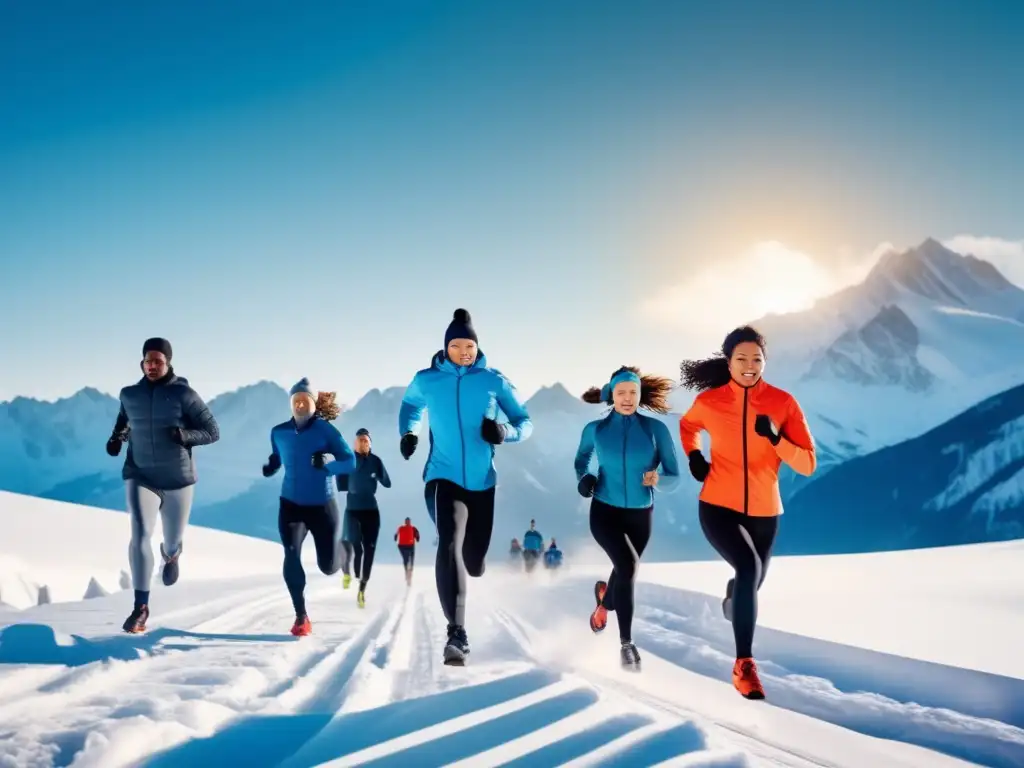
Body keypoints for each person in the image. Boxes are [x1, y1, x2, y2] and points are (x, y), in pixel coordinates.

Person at [679, 326, 816, 700]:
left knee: (750, 582)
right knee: (748, 568)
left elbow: (807, 464)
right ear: (728, 362)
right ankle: (744, 665)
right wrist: (694, 456)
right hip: (717, 505)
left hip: (765, 512)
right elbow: (688, 425)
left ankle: (731, 599)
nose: (750, 365)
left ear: (765, 362)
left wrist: (776, 438)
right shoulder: (711, 401)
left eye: (757, 358)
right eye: (741, 358)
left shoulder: (783, 403)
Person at [398, 308, 533, 666]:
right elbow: (410, 405)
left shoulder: (494, 381)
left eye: (469, 345)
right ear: (446, 347)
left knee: (473, 561)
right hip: (442, 477)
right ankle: (456, 633)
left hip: (482, 482)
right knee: (449, 542)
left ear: (477, 346)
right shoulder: (427, 379)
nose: (463, 351)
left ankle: (475, 567)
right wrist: (408, 433)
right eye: (456, 345)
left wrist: (506, 432)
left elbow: (525, 421)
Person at [106, 338, 220, 634]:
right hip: (140, 474)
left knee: (170, 539)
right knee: (139, 533)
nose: (152, 366)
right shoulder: (129, 394)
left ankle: (171, 554)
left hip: (178, 480)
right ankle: (140, 607)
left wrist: (184, 435)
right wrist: (116, 439)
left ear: (168, 363)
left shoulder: (184, 394)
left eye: (158, 361)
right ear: (141, 363)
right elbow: (124, 421)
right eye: (148, 361)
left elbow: (212, 432)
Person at [575, 365, 680, 670]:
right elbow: (581, 460)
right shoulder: (595, 430)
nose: (627, 398)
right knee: (628, 565)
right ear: (611, 395)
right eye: (621, 392)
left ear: (639, 395)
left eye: (633, 392)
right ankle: (627, 644)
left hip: (640, 514)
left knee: (624, 570)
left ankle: (604, 604)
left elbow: (675, 475)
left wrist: (657, 478)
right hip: (604, 511)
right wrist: (585, 478)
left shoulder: (655, 430)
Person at [263, 379, 356, 636]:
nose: (301, 404)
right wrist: (272, 466)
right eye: (296, 400)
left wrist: (328, 462)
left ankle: (344, 552)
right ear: (291, 404)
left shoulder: (326, 431)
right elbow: (277, 455)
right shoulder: (278, 432)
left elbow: (349, 462)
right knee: (291, 553)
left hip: (323, 507)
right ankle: (301, 616)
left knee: (328, 567)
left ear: (314, 404)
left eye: (306, 400)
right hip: (290, 504)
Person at [337, 427, 390, 608]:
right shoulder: (348, 460)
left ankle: (362, 589)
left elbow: (387, 482)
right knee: (352, 544)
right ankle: (348, 572)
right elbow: (341, 484)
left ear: (370, 443)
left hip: (371, 512)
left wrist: (377, 474)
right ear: (355, 443)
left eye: (366, 440)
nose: (363, 443)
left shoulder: (376, 461)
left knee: (370, 549)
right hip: (352, 511)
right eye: (360, 440)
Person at [395, 517, 421, 586]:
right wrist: (417, 537)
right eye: (407, 521)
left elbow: (417, 534)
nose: (407, 522)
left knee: (408, 560)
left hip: (406, 546)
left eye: (408, 521)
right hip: (405, 546)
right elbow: (396, 533)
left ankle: (408, 573)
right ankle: (408, 573)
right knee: (408, 560)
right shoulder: (404, 528)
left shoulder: (411, 528)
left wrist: (417, 537)